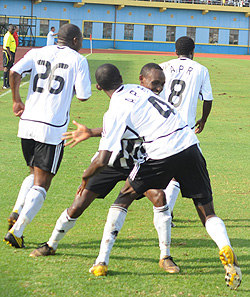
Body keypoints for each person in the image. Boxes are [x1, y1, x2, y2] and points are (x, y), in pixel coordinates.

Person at [77, 63, 240, 290]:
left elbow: (103, 159)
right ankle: (225, 249)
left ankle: (101, 261)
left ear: (98, 87)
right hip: (190, 144)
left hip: (162, 151)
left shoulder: (114, 108)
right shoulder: (140, 89)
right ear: (123, 78)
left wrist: (85, 178)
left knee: (123, 197)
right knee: (207, 211)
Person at [29, 63, 180, 274]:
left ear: (98, 87)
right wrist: (91, 132)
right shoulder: (121, 104)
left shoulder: (140, 96)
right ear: (136, 78)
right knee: (78, 205)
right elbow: (116, 130)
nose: (158, 89)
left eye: (161, 84)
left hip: (137, 162)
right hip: (112, 162)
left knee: (159, 198)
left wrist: (90, 142)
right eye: (155, 83)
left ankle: (165, 256)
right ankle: (51, 244)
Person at [4, 23, 92, 249]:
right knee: (43, 183)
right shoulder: (78, 60)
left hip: (28, 123)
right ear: (74, 41)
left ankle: (16, 210)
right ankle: (18, 230)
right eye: (80, 40)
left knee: (33, 173)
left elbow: (14, 71)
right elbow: (83, 96)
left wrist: (16, 100)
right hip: (52, 127)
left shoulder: (37, 52)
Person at [159, 36, 213, 222]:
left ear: (175, 51)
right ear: (193, 51)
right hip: (185, 129)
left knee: (169, 169)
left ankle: (165, 210)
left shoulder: (163, 66)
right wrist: (204, 120)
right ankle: (165, 211)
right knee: (183, 172)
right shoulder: (201, 69)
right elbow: (208, 99)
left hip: (161, 126)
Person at [2, 25, 16, 89]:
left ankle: (8, 83)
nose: (13, 31)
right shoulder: (8, 36)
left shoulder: (11, 35)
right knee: (6, 68)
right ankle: (4, 84)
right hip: (7, 53)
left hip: (11, 53)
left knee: (10, 68)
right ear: (9, 29)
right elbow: (7, 46)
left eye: (14, 29)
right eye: (12, 29)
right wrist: (10, 55)